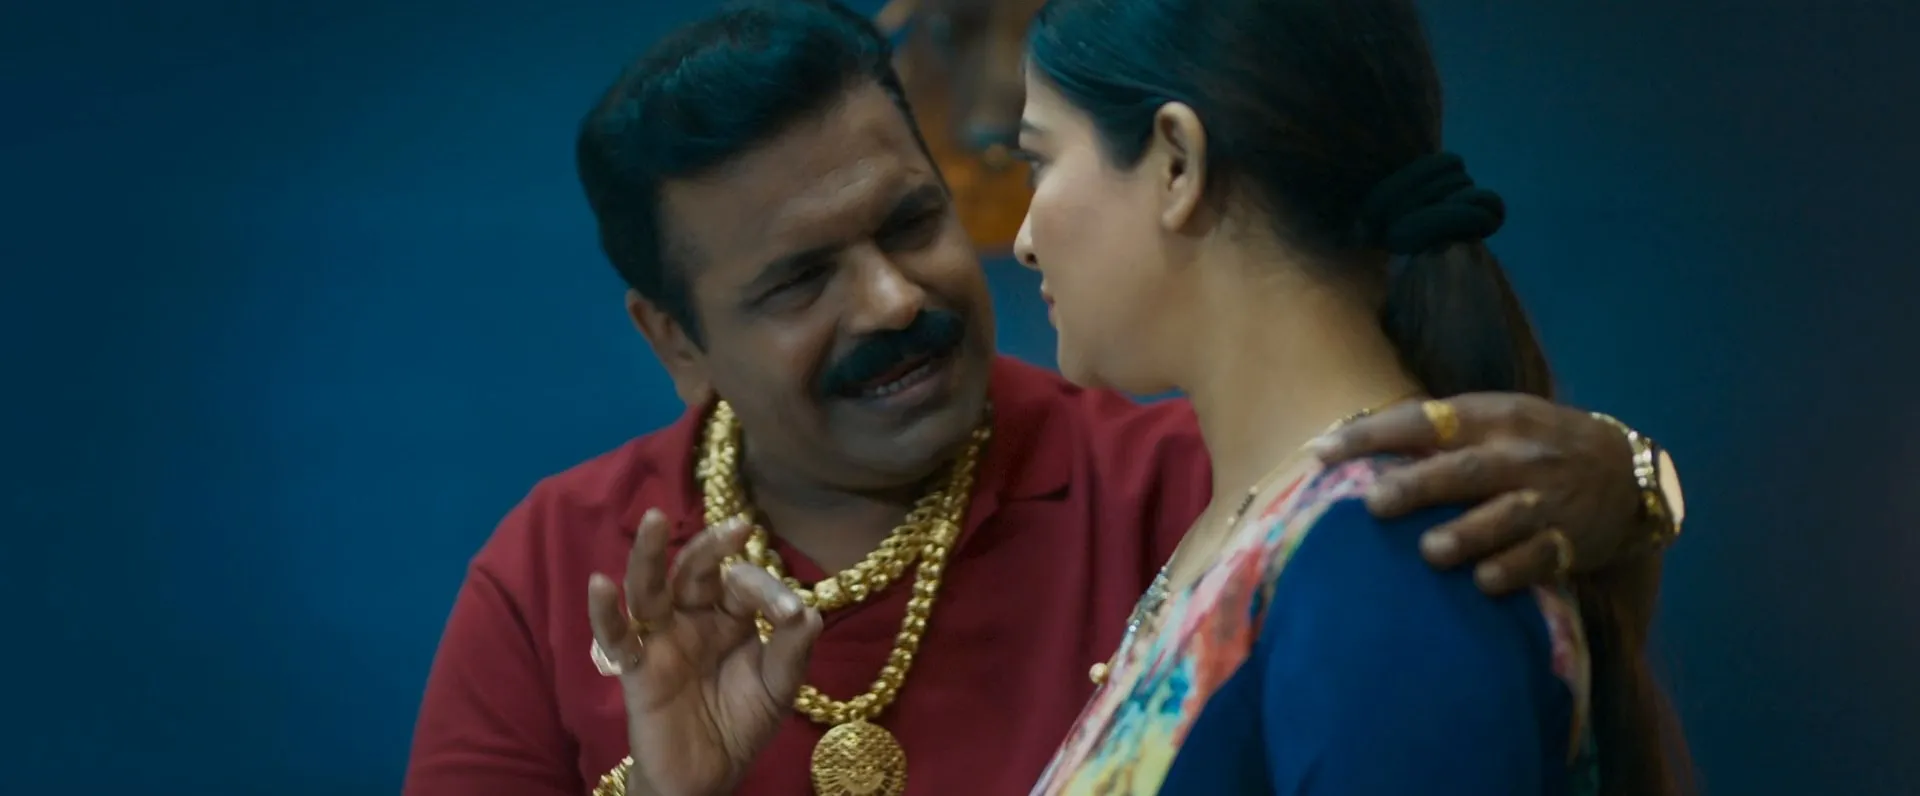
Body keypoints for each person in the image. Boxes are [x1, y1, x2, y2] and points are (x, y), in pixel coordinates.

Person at [401, 2, 1686, 795]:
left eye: (913, 221)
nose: (893, 300)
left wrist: (1639, 486)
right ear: (676, 338)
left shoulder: (1217, 494)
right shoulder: (557, 576)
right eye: (801, 281)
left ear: (1174, 165)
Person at [1007, 0, 1694, 793]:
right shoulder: (1284, 530)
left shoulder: (1393, 555)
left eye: (1039, 161)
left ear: (1176, 164)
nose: (1023, 242)